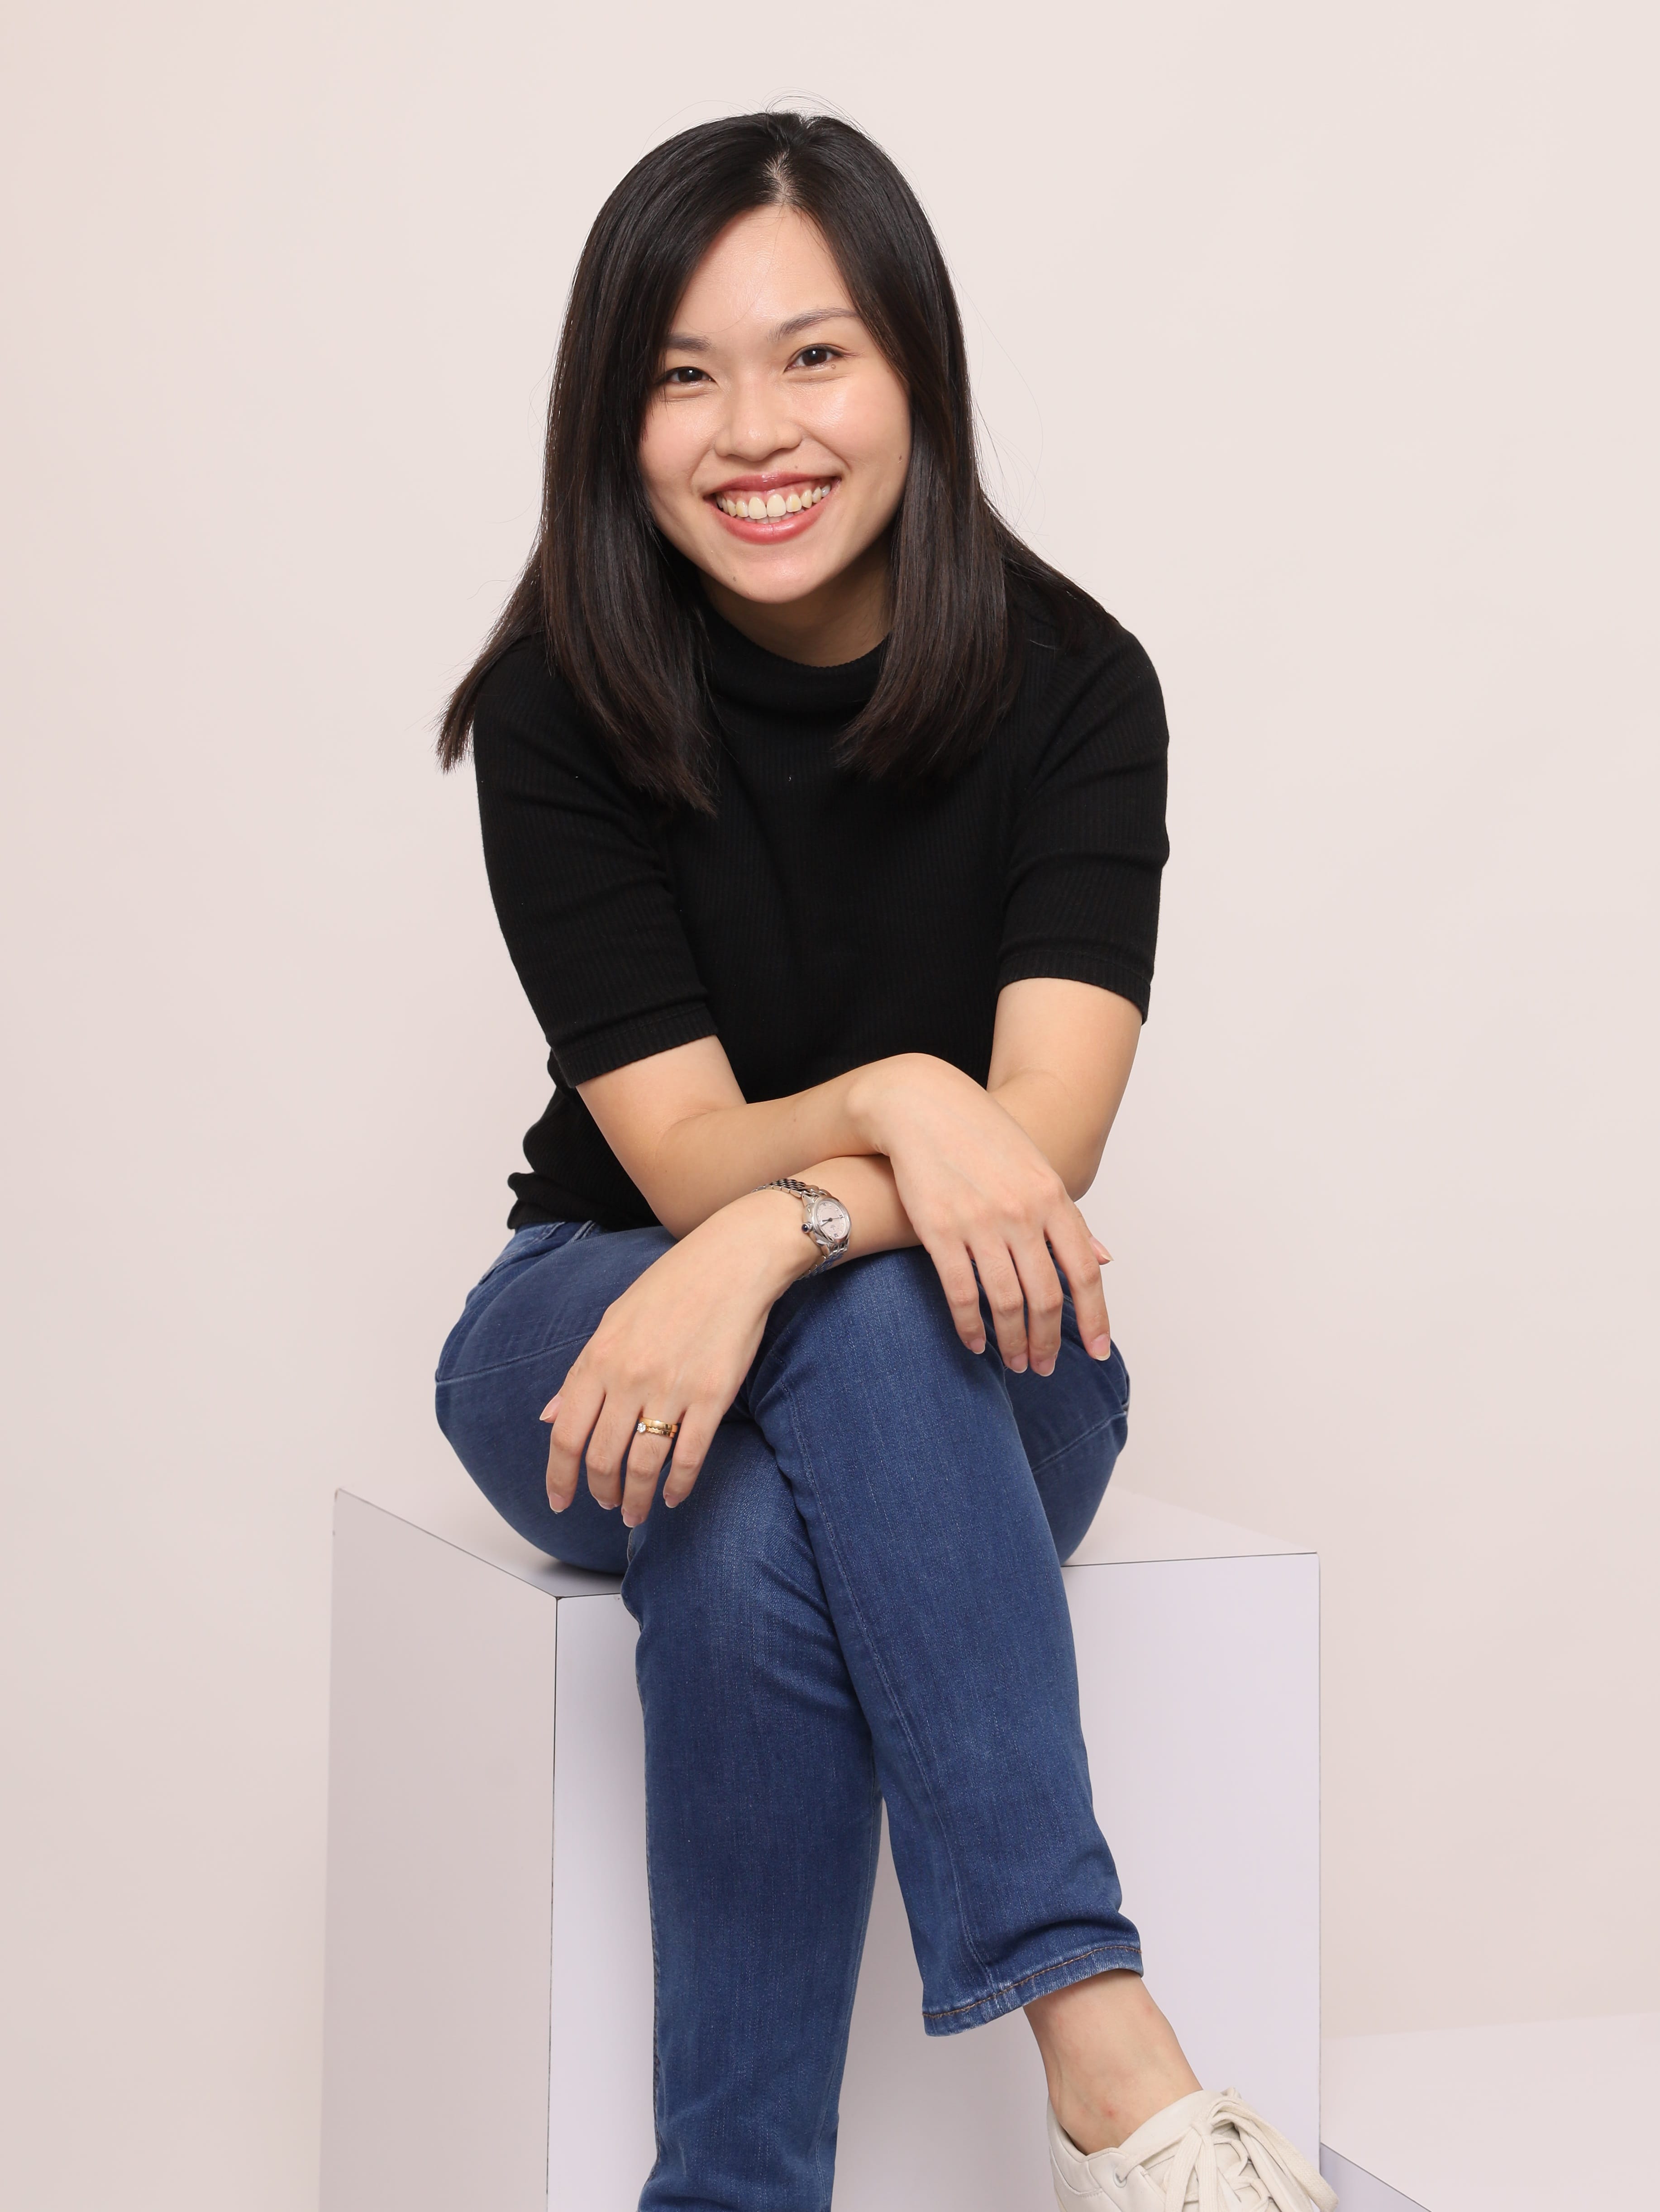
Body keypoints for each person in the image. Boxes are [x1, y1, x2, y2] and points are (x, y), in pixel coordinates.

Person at [434, 110, 1334, 2212]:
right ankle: (1116, 2075)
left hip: (978, 1332)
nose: (752, 428)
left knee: (780, 1490)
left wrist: (814, 1214)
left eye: (812, 356)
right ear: (615, 418)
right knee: (840, 1325)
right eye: (679, 374)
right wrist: (899, 1102)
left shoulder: (1075, 683)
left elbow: (1046, 1148)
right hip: (598, 1313)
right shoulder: (566, 696)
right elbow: (668, 1157)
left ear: (915, 369)